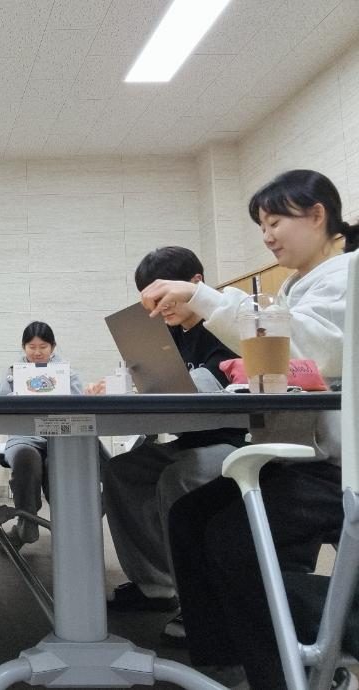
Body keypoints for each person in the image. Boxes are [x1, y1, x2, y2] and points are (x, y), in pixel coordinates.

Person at [142, 170, 359, 688]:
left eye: (275, 221)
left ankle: (289, 664)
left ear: (318, 215)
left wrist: (205, 299)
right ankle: (230, 661)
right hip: (297, 454)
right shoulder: (299, 284)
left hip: (336, 466)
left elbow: (314, 350)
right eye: (262, 225)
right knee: (191, 516)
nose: (267, 236)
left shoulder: (347, 273)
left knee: (231, 542)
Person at [99, 247, 247, 633]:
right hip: (190, 440)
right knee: (122, 471)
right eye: (150, 302)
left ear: (195, 283)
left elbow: (211, 388)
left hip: (236, 442)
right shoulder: (172, 335)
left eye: (162, 297)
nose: (157, 309)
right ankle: (155, 584)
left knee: (178, 476)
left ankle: (199, 598)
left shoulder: (226, 324)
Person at [0, 321, 84, 550]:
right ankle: (27, 522)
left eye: (43, 347)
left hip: (59, 437)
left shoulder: (67, 373)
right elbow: (0, 409)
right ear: (23, 347)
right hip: (23, 437)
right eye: (31, 347)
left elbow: (81, 407)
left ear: (52, 347)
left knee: (58, 463)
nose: (37, 352)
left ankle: (68, 526)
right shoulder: (13, 373)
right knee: (25, 458)